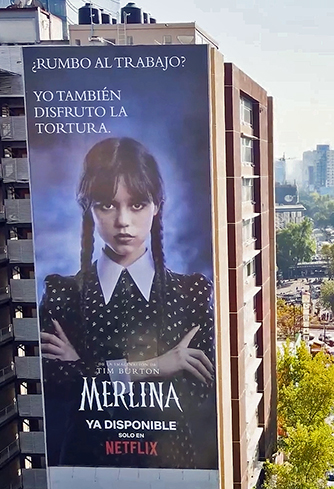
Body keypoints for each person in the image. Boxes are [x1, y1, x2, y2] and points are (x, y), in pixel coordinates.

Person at [38, 138, 216, 469]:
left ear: (157, 206)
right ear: (88, 208)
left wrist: (85, 369)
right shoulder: (62, 293)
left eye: (137, 205)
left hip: (172, 467)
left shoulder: (190, 292)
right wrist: (160, 366)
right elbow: (57, 389)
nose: (123, 221)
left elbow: (194, 396)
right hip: (85, 466)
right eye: (107, 205)